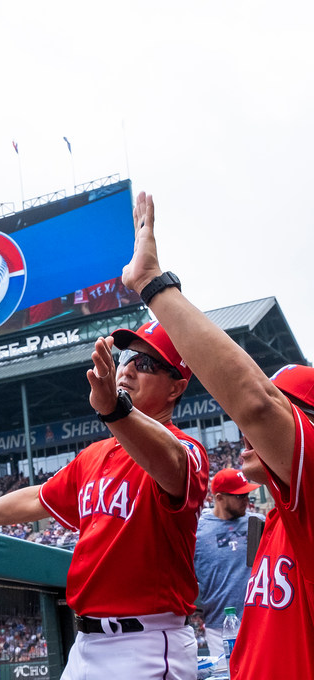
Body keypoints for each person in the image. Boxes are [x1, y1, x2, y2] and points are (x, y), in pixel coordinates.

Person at [121, 191, 314, 680]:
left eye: (282, 412)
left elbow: (254, 403)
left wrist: (153, 285)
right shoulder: (276, 521)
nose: (249, 431)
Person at [0, 322, 208, 680]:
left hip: (147, 644)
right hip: (85, 644)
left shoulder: (187, 450)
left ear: (176, 388)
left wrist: (114, 410)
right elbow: (37, 499)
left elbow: (170, 465)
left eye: (146, 364)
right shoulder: (96, 453)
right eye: (126, 358)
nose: (127, 369)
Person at [193, 468, 263, 659]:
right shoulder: (197, 529)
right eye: (239, 496)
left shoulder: (258, 523)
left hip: (260, 621)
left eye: (247, 494)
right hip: (220, 626)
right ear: (219, 498)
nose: (246, 500)